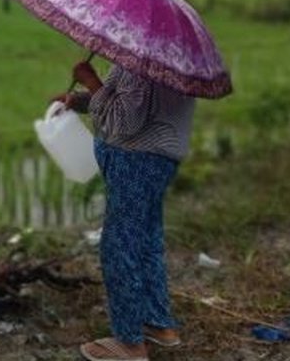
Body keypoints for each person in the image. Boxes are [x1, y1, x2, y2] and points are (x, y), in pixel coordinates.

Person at [57, 61, 194, 361]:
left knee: (120, 245)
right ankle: (157, 323)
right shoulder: (170, 58)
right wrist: (79, 100)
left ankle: (129, 342)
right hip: (158, 161)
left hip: (136, 161)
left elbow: (123, 122)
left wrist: (91, 81)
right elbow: (125, 103)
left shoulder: (140, 63)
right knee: (146, 241)